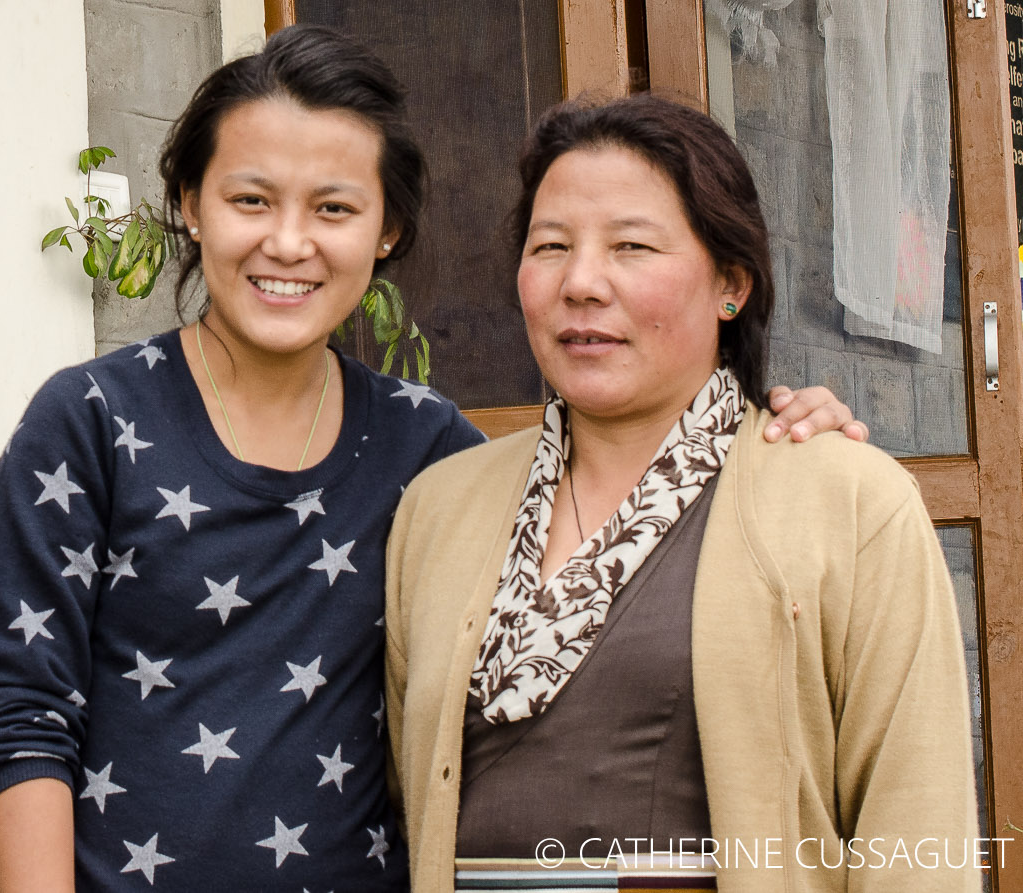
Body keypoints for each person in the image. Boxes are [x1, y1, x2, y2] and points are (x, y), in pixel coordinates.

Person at [0, 29, 862, 891]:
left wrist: (772, 425)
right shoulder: (87, 422)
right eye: (250, 199)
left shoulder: (428, 450)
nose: (287, 242)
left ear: (388, 229)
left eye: (334, 208)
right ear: (191, 207)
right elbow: (25, 718)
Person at [386, 93, 977, 893]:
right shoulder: (439, 508)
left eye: (632, 245)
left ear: (731, 282)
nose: (582, 282)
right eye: (550, 245)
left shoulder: (846, 500)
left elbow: (916, 822)